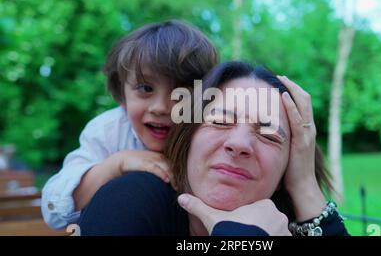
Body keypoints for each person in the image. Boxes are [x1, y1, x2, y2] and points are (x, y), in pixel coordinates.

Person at [78, 61, 349, 236]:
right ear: (188, 140)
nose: (239, 144)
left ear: (286, 168)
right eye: (219, 121)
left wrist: (303, 183)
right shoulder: (130, 201)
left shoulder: (284, 223)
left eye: (269, 135)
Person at [41, 20, 218, 229]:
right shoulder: (109, 130)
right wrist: (115, 165)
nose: (161, 107)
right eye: (145, 88)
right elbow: (52, 210)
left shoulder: (211, 133)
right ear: (121, 94)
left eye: (180, 93)